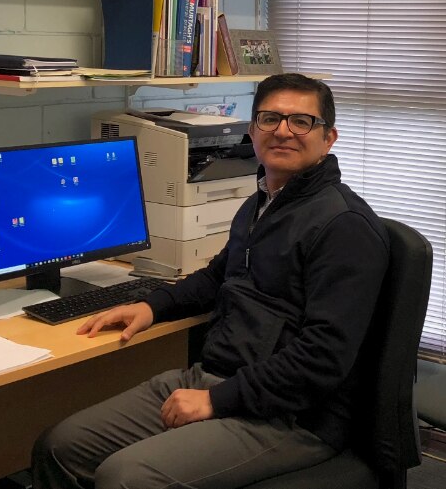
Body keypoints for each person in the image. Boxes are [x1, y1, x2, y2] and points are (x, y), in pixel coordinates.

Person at [32, 73, 390, 489]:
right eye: (270, 119)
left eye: (301, 121)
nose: (283, 131)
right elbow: (218, 277)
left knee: (125, 478)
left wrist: (216, 400)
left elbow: (323, 358)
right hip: (218, 378)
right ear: (253, 130)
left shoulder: (343, 226)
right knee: (61, 446)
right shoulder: (264, 203)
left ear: (329, 137)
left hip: (291, 415)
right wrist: (151, 306)